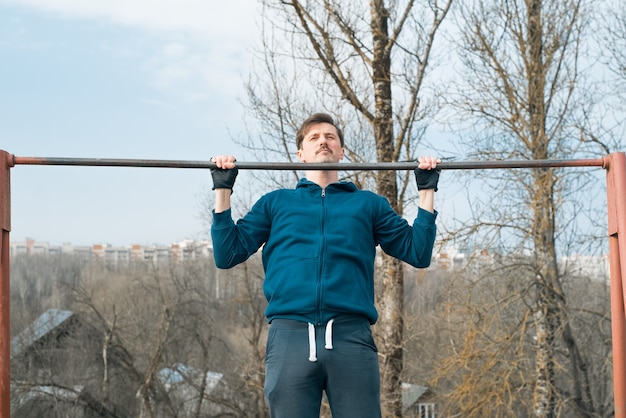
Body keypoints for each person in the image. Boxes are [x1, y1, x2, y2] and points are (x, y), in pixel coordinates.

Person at [210, 113, 439, 418]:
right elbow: (227, 254)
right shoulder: (275, 204)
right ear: (300, 154)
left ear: (342, 151)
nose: (323, 141)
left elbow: (418, 252)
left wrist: (426, 189)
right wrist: (222, 188)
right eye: (314, 137)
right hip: (290, 337)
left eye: (330, 137)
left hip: (351, 338)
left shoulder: (368, 204)